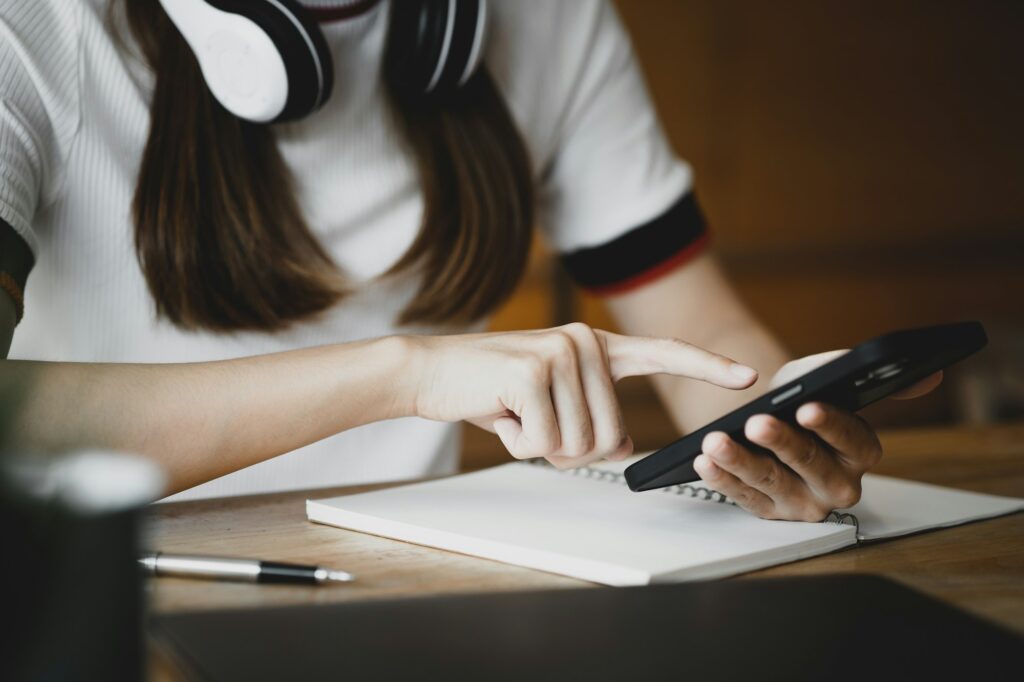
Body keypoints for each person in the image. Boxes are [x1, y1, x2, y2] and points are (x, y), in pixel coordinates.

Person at [0, 0, 938, 517]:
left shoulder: (550, 20)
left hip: (415, 572)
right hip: (105, 587)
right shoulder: (35, 28)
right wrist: (407, 373)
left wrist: (771, 430)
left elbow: (699, 331)